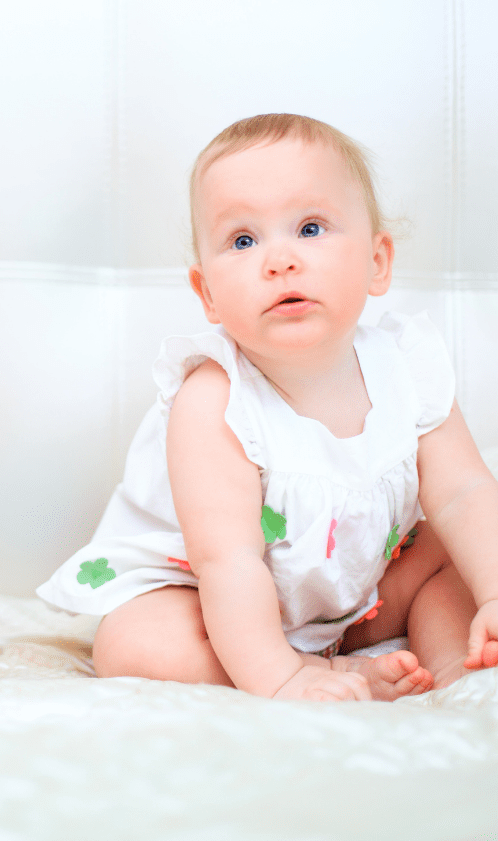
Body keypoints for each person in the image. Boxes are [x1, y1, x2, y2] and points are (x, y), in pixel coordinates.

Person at [37, 113, 498, 701]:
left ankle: (458, 675)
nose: (279, 260)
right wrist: (283, 678)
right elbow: (228, 560)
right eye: (244, 241)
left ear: (377, 262)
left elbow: (464, 492)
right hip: (217, 601)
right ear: (206, 292)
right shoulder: (213, 400)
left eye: (310, 228)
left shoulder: (408, 366)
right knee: (135, 643)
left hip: (358, 596)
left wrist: (492, 591)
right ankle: (321, 672)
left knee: (454, 555)